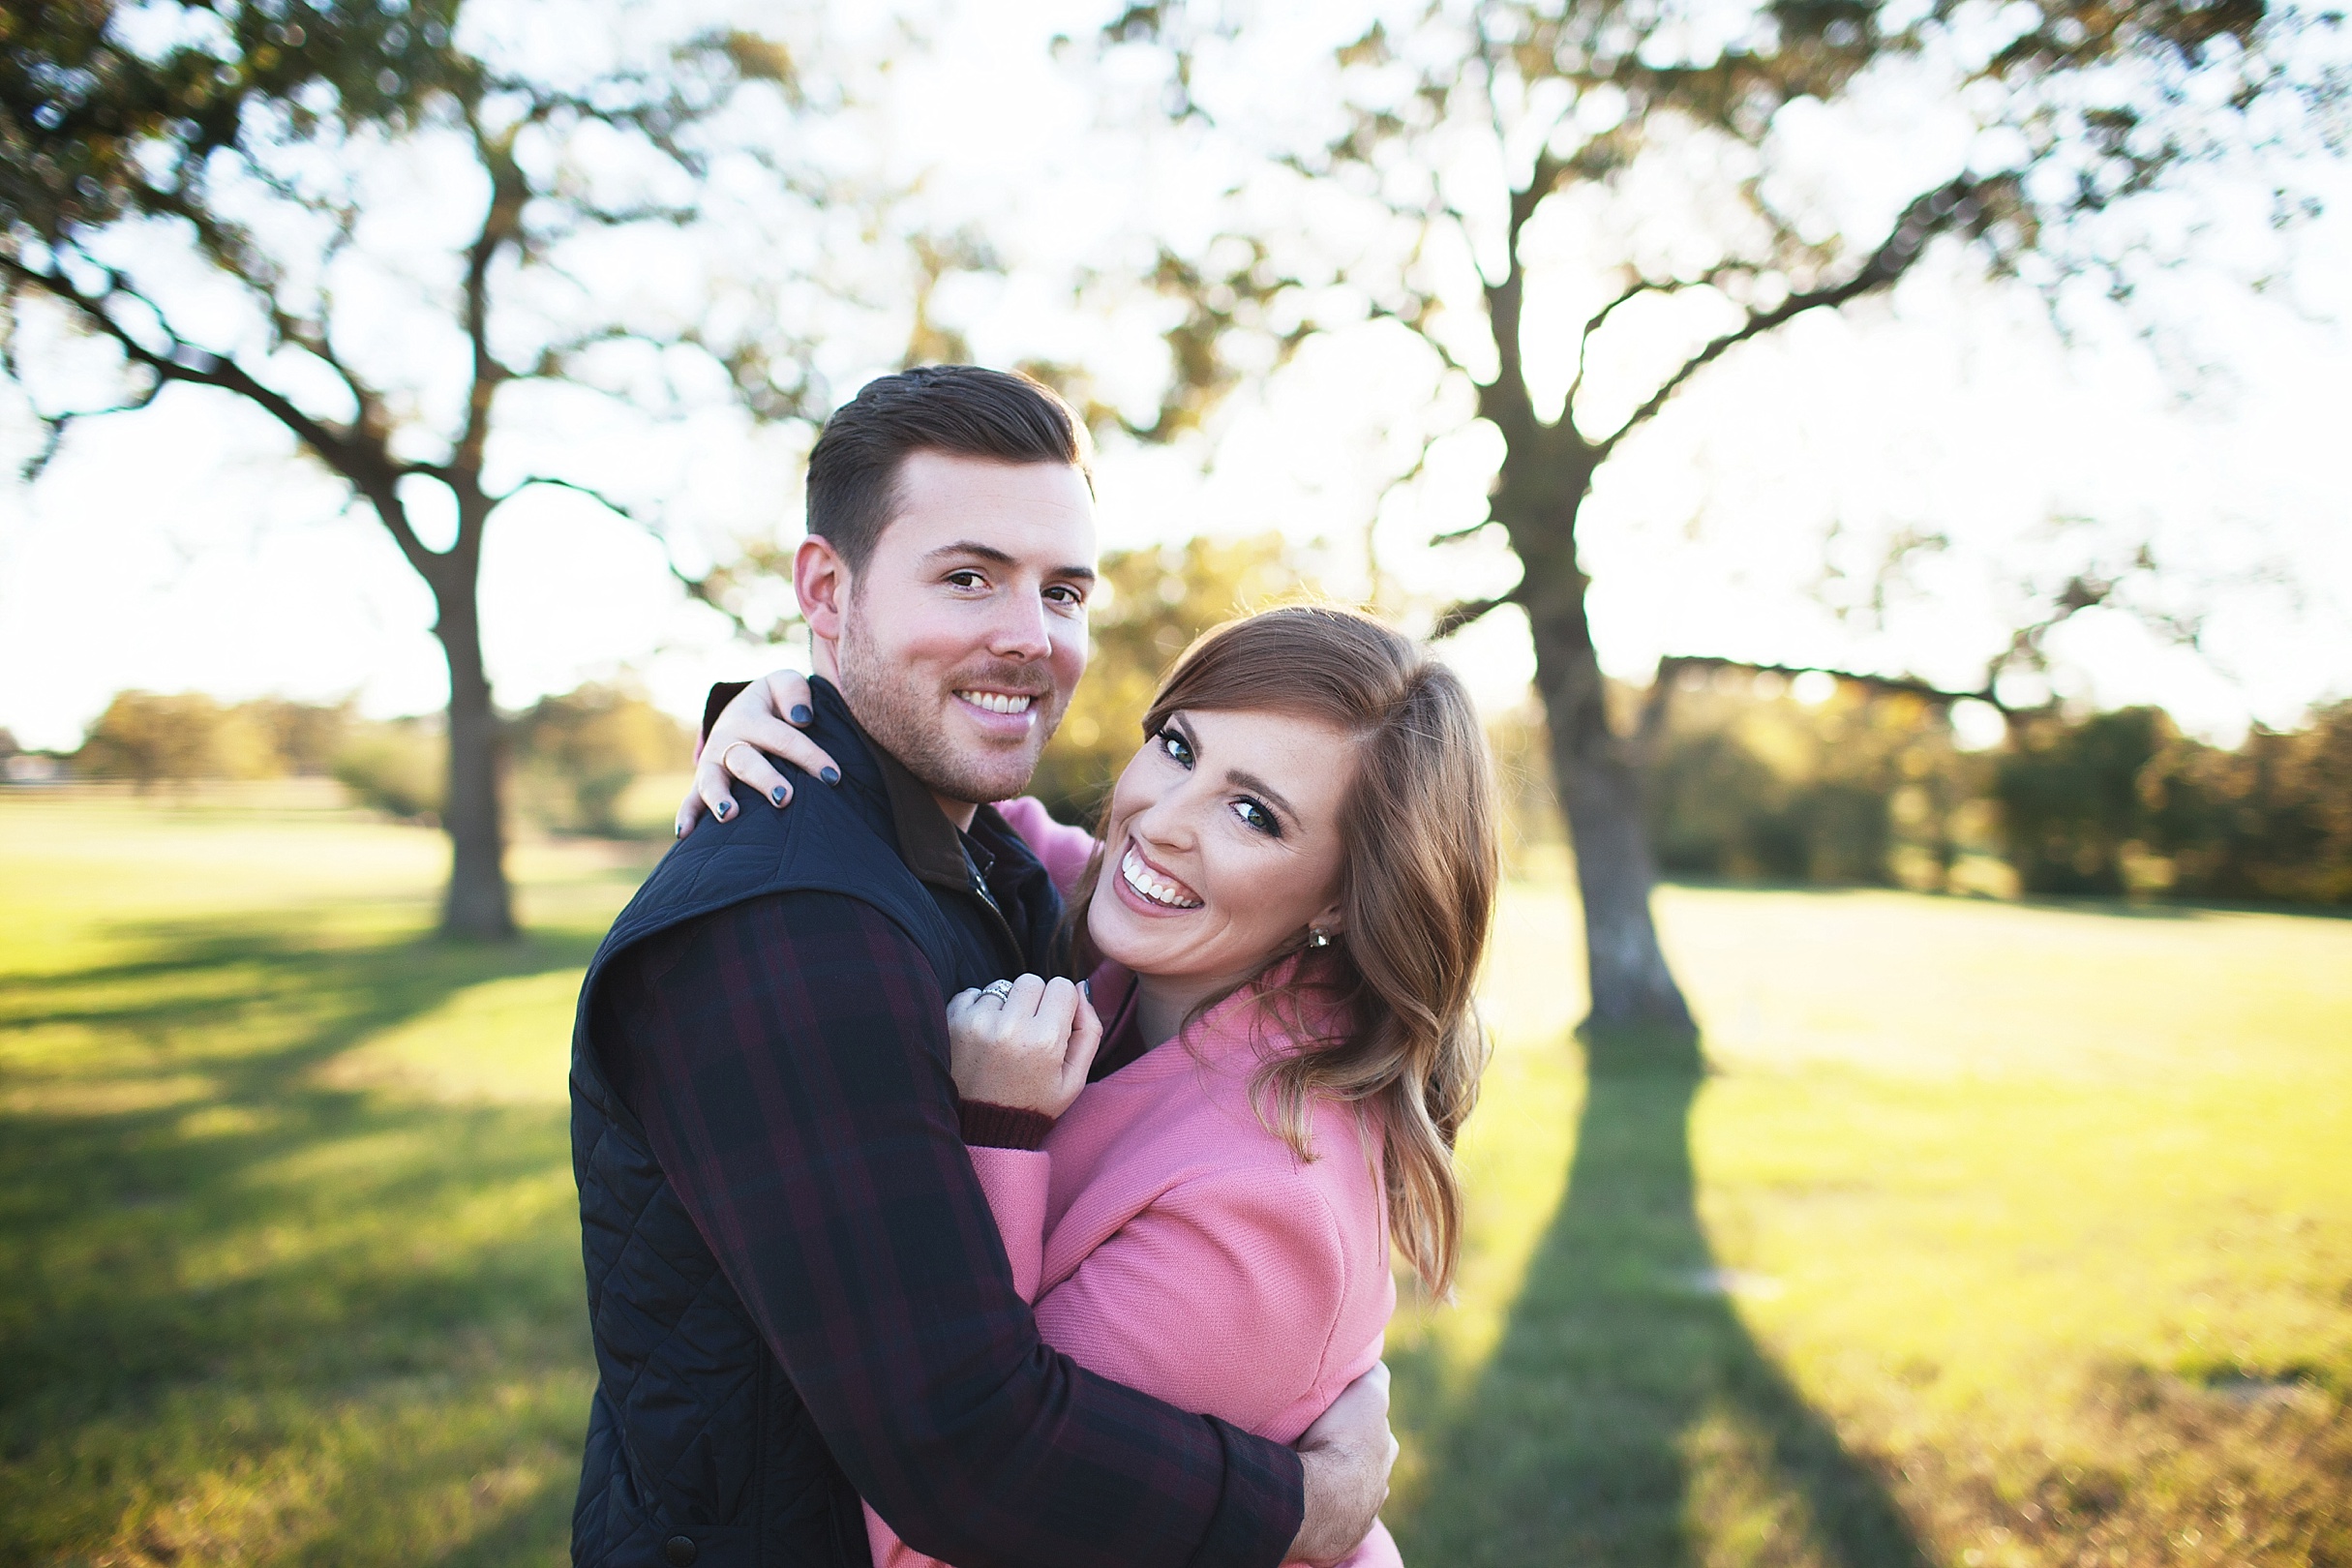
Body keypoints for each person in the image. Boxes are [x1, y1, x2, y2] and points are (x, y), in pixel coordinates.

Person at [570, 366, 1395, 1568]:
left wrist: (772, 709)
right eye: (968, 577)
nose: (1028, 636)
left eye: (1062, 589)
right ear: (826, 588)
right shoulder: (794, 936)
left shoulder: (973, 849)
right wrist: (1307, 1509)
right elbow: (971, 1457)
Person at [693, 607, 1500, 1568]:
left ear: (1340, 894)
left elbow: (946, 1521)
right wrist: (786, 727)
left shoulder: (1255, 1216)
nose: (1158, 822)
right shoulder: (1176, 960)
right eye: (1176, 746)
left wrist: (996, 1130)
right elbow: (990, 831)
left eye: (1252, 813)